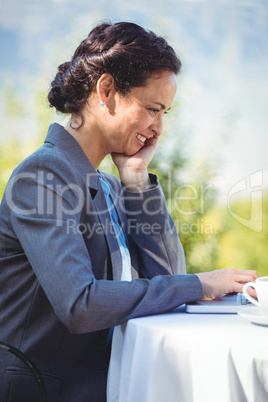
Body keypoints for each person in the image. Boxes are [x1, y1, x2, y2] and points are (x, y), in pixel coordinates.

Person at [0, 21, 258, 402]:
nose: (159, 128)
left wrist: (136, 179)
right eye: (153, 109)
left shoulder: (107, 185)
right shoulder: (42, 175)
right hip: (44, 390)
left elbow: (169, 277)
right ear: (106, 90)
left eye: (165, 112)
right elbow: (81, 305)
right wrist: (201, 284)